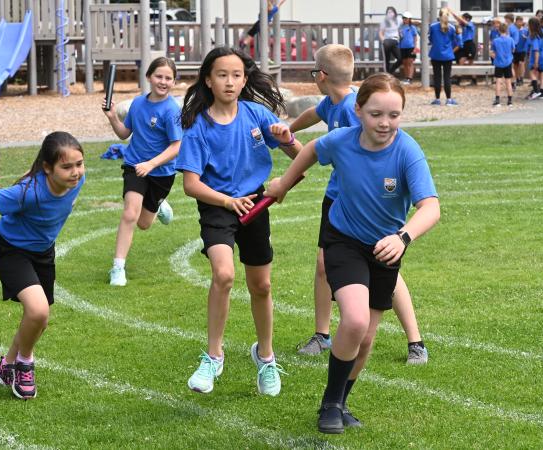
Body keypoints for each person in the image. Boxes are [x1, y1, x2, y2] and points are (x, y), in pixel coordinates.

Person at [264, 72, 440, 434]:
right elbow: (312, 150)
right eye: (376, 114)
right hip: (342, 239)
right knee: (355, 320)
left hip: (385, 248)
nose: (385, 123)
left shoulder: (408, 150)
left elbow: (431, 208)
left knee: (366, 339)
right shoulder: (342, 141)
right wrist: (285, 183)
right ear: (358, 110)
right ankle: (330, 403)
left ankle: (340, 402)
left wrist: (403, 237)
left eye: (394, 115)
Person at [289, 45, 430, 366]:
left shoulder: (360, 107)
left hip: (364, 202)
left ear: (321, 76)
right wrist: (290, 130)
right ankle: (322, 335)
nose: (383, 121)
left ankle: (415, 341)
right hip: (336, 201)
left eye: (391, 115)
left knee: (386, 269)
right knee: (324, 265)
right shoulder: (335, 102)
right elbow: (316, 114)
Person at [176, 47, 297, 396]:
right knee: (224, 275)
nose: (230, 81)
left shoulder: (257, 114)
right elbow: (190, 184)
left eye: (237, 75)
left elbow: (299, 153)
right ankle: (214, 357)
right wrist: (228, 201)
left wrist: (286, 139)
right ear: (208, 80)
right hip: (218, 207)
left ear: (245, 80)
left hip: (255, 205)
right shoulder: (198, 127)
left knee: (262, 287)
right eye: (222, 75)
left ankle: (266, 357)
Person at [0, 131, 85, 399]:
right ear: (47, 168)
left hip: (43, 252)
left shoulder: (78, 180)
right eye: (66, 167)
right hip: (11, 251)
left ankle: (7, 366)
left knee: (37, 321)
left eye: (79, 164)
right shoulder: (28, 193)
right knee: (38, 312)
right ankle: (24, 363)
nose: (75, 172)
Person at [102, 57, 182, 287]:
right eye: (159, 76)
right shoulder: (137, 103)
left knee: (144, 223)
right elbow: (124, 134)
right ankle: (118, 267)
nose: (163, 81)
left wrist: (152, 164)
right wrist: (112, 118)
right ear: (148, 77)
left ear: (174, 82)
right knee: (129, 214)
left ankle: (159, 204)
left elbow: (176, 147)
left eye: (168, 78)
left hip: (161, 172)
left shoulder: (171, 111)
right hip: (134, 165)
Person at [428, 8, 458, 106]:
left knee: (437, 77)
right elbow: (455, 41)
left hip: (435, 54)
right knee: (447, 77)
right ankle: (449, 100)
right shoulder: (452, 28)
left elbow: (431, 39)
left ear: (439, 15)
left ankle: (437, 99)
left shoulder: (432, 26)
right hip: (447, 55)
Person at [490, 22, 515, 107]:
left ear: (499, 30)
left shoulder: (495, 40)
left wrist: (495, 57)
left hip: (498, 62)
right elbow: (513, 50)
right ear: (507, 30)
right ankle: (510, 101)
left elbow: (492, 52)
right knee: (508, 82)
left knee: (498, 81)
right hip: (508, 62)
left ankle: (497, 100)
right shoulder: (511, 39)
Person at [526, 17, 543, 100]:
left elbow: (536, 50)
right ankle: (542, 92)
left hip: (538, 56)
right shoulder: (542, 34)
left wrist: (536, 62)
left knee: (532, 72)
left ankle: (536, 91)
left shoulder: (534, 37)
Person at [395, 11, 419, 84]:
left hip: (410, 47)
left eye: (406, 18)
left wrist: (415, 47)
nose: (405, 19)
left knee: (410, 63)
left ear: (409, 19)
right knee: (404, 63)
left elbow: (415, 38)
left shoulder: (412, 27)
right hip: (402, 47)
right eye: (404, 18)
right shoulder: (400, 27)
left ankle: (410, 78)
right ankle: (406, 78)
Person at [379, 6, 402, 75]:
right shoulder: (384, 21)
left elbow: (406, 22)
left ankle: (391, 72)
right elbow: (381, 32)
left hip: (395, 41)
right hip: (387, 41)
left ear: (395, 13)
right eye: (388, 12)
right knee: (387, 59)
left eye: (392, 12)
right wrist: (383, 40)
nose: (390, 13)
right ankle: (387, 74)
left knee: (400, 58)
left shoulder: (399, 19)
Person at [513, 16, 530, 86]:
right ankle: (517, 78)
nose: (520, 23)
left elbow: (530, 38)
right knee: (515, 65)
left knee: (521, 63)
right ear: (516, 22)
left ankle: (522, 78)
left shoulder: (525, 30)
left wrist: (526, 37)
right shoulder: (513, 30)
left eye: (521, 21)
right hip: (515, 49)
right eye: (518, 21)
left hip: (523, 49)